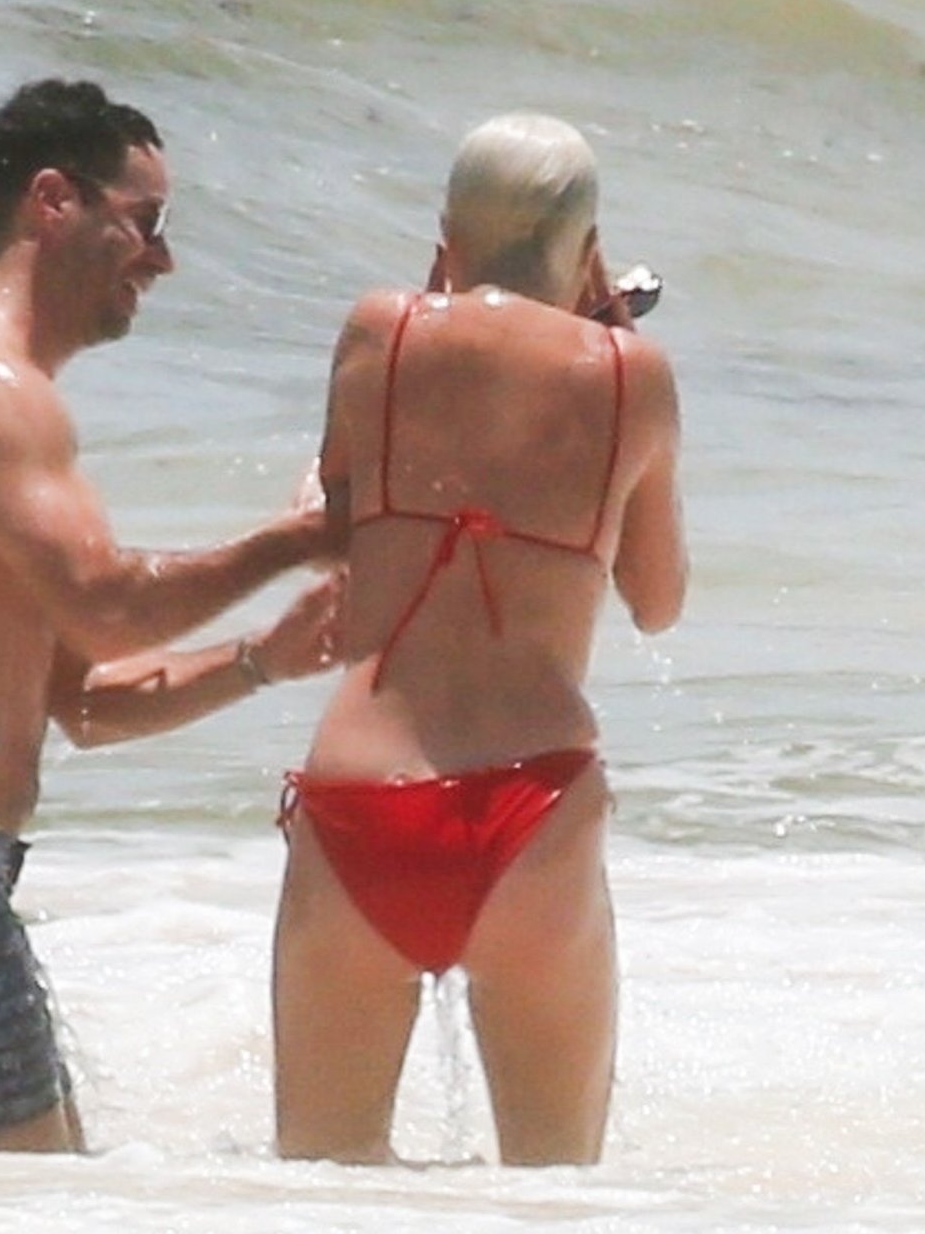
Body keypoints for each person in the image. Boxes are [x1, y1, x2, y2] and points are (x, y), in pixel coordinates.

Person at [0, 78, 342, 1158]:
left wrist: (261, 661)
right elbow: (113, 606)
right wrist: (300, 537)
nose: (163, 259)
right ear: (52, 201)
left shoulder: (1, 395)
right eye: (147, 220)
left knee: (36, 1189)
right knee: (26, 1198)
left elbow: (85, 701)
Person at [270, 112, 687, 1166]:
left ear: (446, 237)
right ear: (592, 255)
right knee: (557, 1194)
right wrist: (607, 346)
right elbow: (657, 598)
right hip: (531, 807)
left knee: (319, 1189)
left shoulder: (382, 330)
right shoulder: (634, 376)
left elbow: (330, 528)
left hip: (362, 797)